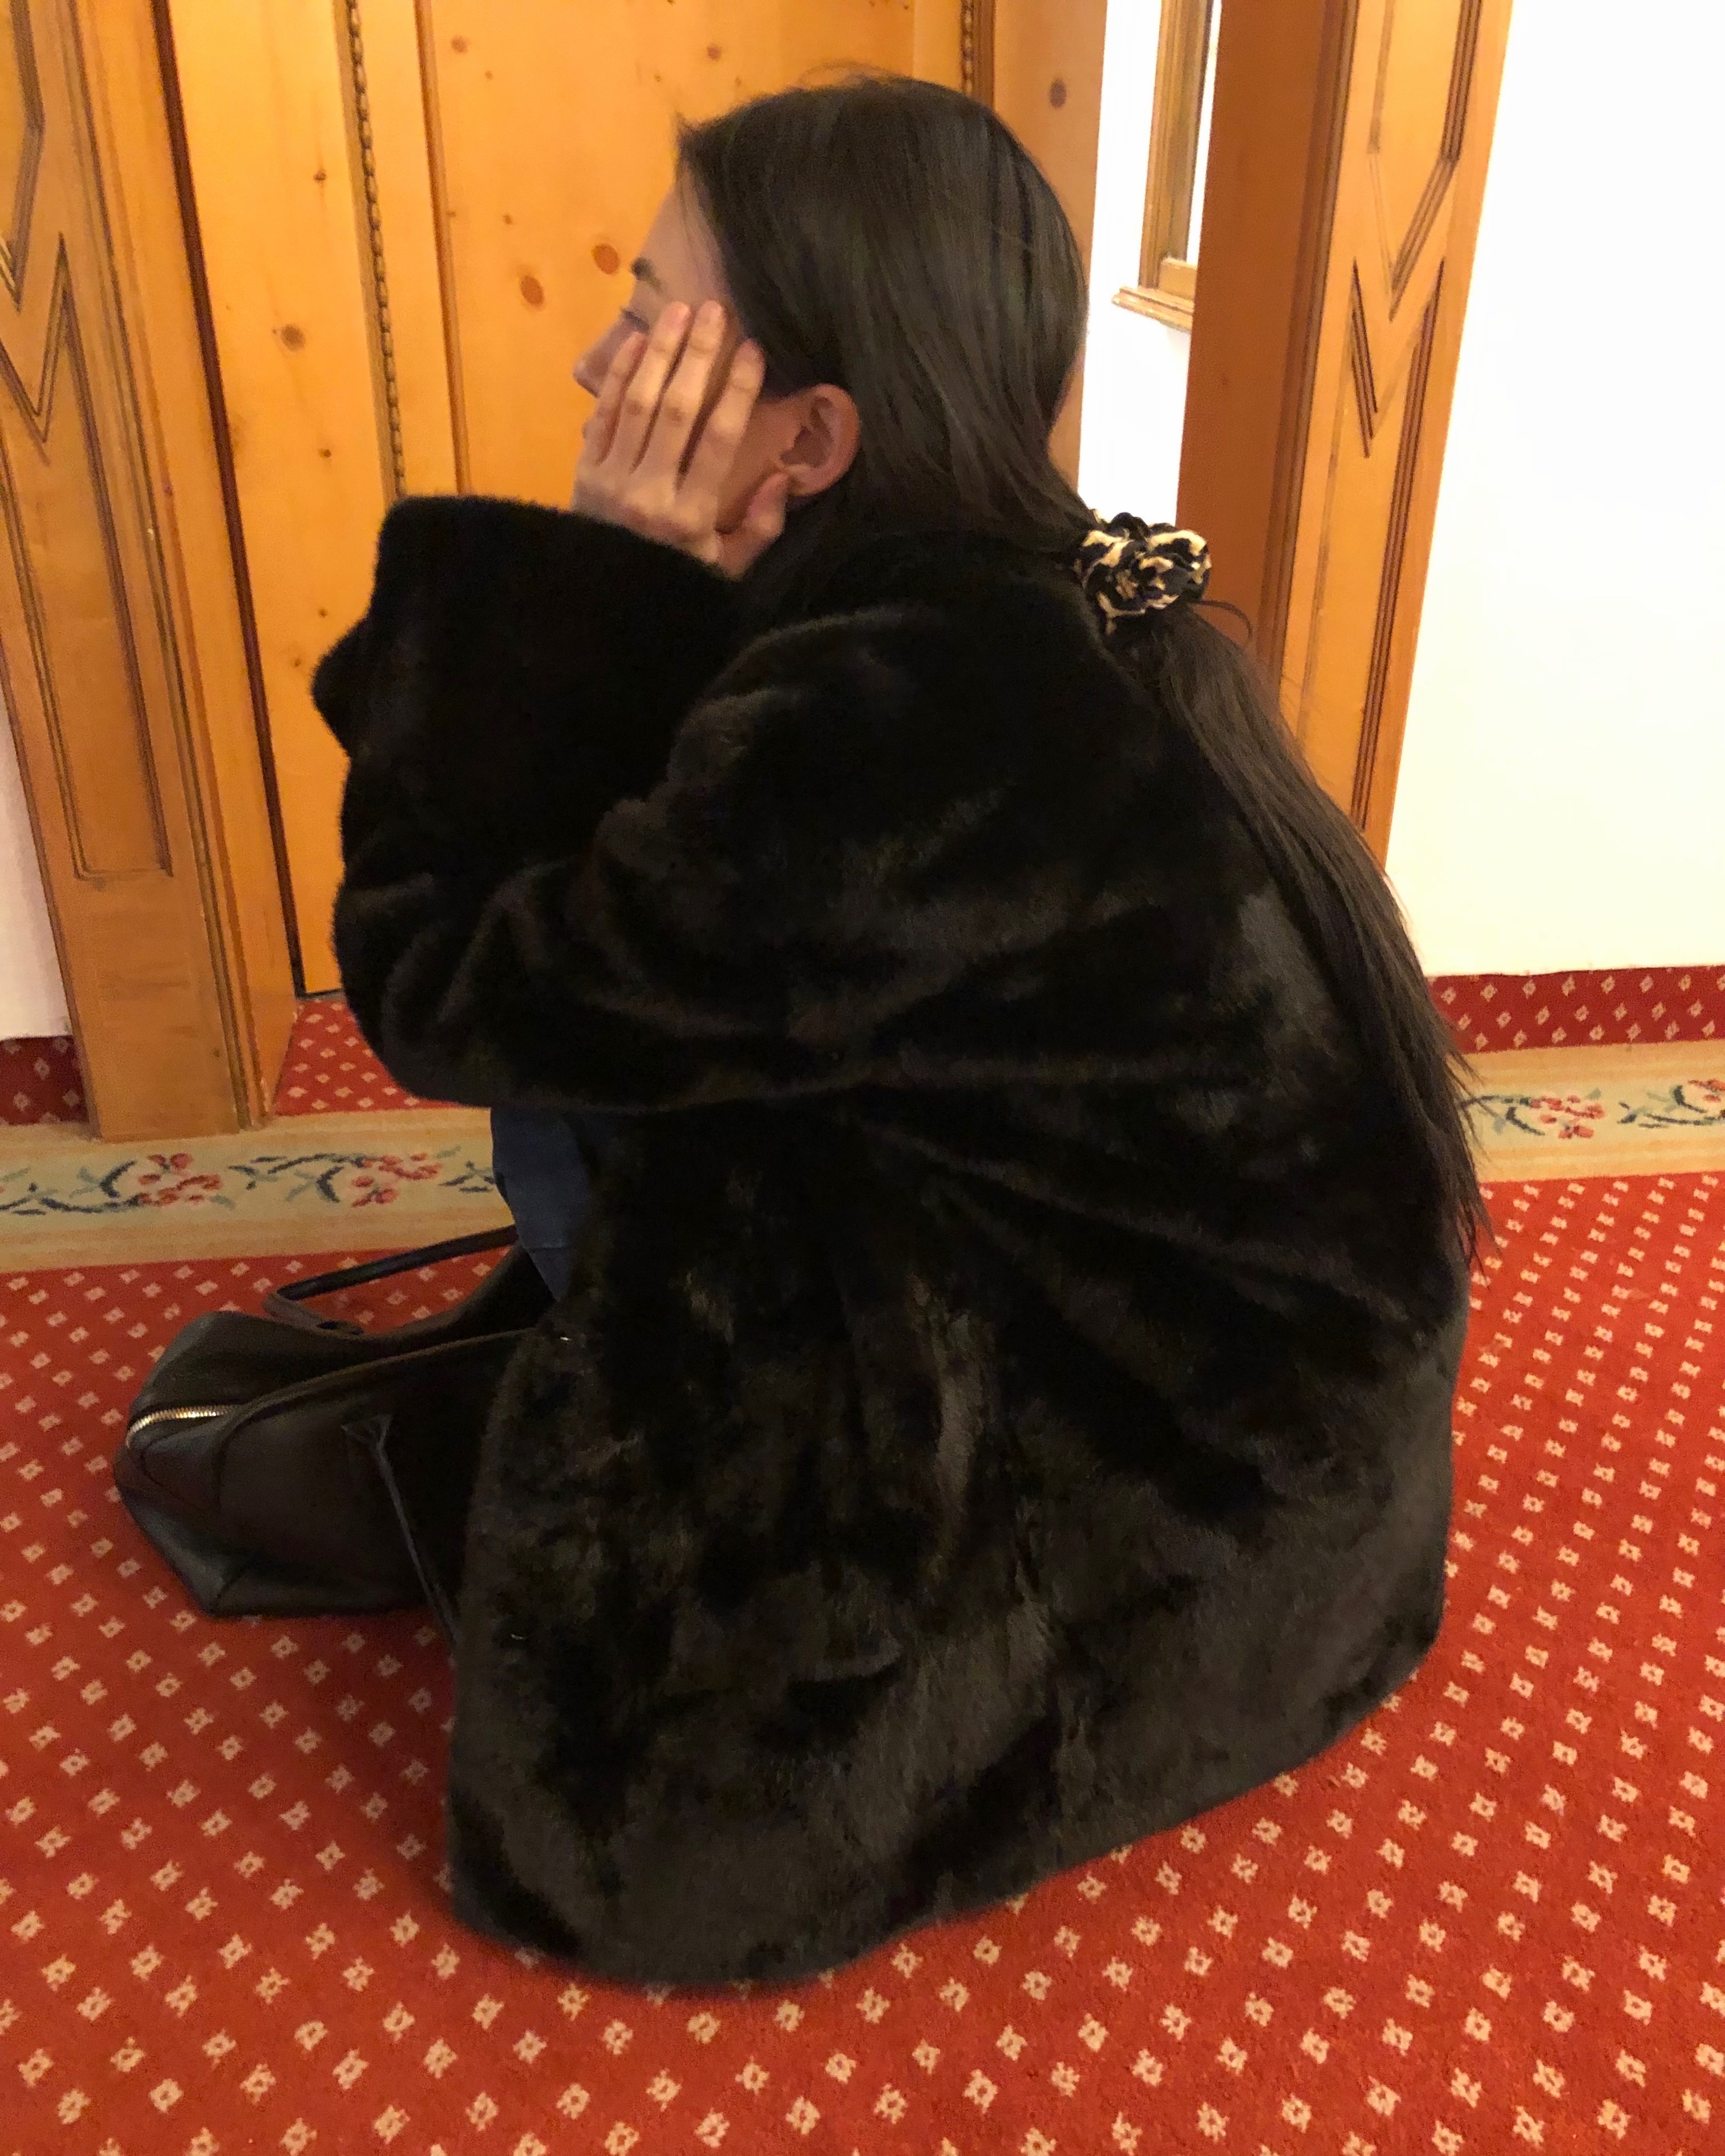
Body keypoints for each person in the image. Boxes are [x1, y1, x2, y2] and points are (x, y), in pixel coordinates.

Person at [311, 74, 1482, 1987]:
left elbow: (447, 992)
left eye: (652, 323)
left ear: (813, 435)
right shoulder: (996, 603)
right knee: (646, 1052)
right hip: (1284, 1466)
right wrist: (627, 616)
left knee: (583, 1094)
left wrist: (591, 583)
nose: (601, 364)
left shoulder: (894, 714)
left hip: (1184, 1531)